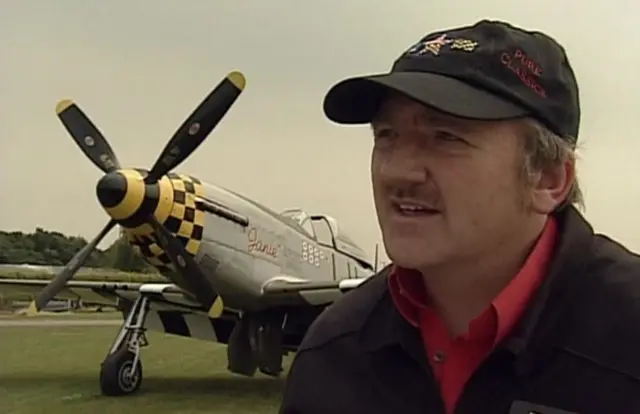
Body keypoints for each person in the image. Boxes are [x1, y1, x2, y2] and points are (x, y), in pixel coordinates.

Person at [278, 19, 640, 414]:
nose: (397, 172)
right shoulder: (334, 352)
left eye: (446, 138)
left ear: (549, 177)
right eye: (386, 136)